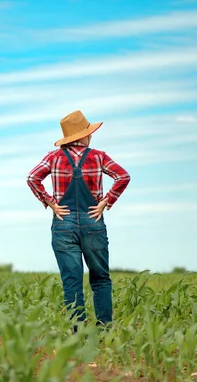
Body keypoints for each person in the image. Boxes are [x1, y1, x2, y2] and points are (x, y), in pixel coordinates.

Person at [26, 110, 130, 333]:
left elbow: (32, 178)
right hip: (93, 221)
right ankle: (104, 332)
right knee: (100, 278)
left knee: (72, 282)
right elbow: (123, 176)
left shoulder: (53, 157)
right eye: (89, 132)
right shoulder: (99, 156)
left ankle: (78, 335)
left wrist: (51, 203)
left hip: (63, 223)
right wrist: (105, 202)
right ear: (83, 136)